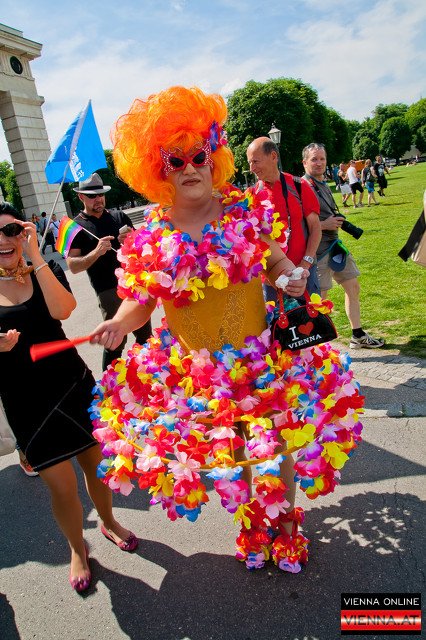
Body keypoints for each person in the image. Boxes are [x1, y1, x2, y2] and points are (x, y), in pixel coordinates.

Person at [88, 86, 364, 574]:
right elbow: (140, 301)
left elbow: (275, 262)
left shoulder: (241, 209)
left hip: (261, 362)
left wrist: (291, 276)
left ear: (212, 157)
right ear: (157, 170)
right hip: (198, 375)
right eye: (175, 160)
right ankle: (252, 521)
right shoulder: (152, 234)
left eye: (199, 156)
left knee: (276, 446)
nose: (190, 168)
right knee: (234, 451)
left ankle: (284, 524)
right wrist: (117, 322)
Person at [0, 202, 137, 593]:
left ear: (23, 232)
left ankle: (109, 522)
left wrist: (34, 256)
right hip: (25, 400)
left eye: (11, 230)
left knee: (97, 466)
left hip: (71, 384)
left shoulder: (44, 268)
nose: (3, 240)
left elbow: (64, 309)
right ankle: (78, 547)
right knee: (61, 487)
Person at [302, 143, 384, 349]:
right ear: (304, 162)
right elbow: (294, 224)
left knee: (353, 286)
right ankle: (316, 349)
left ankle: (358, 335)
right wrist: (324, 225)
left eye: (322, 158)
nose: (319, 163)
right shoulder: (302, 187)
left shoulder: (322, 184)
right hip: (317, 252)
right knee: (319, 300)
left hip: (335, 247)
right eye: (314, 159)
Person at [66, 173, 152, 370]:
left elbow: (141, 246)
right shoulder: (76, 227)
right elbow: (73, 266)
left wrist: (131, 240)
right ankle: (109, 381)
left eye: (101, 194)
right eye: (92, 196)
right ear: (80, 196)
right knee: (115, 341)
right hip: (107, 290)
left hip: (132, 284)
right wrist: (96, 253)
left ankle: (148, 374)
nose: (98, 199)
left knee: (145, 336)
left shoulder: (118, 216)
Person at [246, 137, 322, 296]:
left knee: (311, 312)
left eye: (255, 162)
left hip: (303, 273)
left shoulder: (299, 186)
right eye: (250, 163)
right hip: (272, 281)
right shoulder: (251, 195)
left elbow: (315, 228)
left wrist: (305, 264)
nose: (251, 168)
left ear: (273, 156)